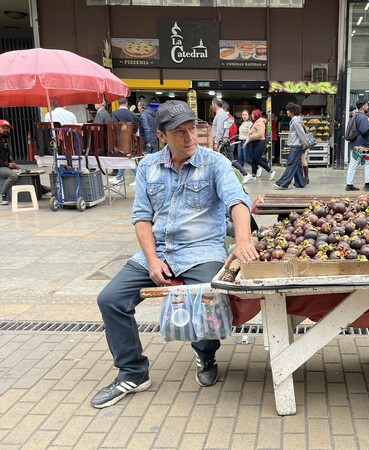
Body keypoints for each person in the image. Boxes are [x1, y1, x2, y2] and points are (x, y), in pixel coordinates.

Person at [91, 100, 258, 409]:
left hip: (201, 250)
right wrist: (152, 260)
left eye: (192, 128)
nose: (189, 137)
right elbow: (141, 217)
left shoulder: (215, 163)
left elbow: (238, 201)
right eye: (179, 132)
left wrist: (242, 242)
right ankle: (133, 372)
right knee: (110, 299)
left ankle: (205, 354)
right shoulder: (148, 166)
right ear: (162, 136)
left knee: (211, 298)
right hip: (158, 250)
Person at [273, 102, 307, 190]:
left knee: (291, 163)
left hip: (296, 146)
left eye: (288, 110)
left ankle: (283, 183)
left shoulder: (295, 122)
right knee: (297, 164)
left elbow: (302, 134)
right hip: (297, 145)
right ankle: (300, 183)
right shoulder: (295, 121)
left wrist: (304, 144)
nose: (287, 112)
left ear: (292, 111)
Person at [345, 100, 369, 192]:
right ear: (362, 106)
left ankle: (349, 184)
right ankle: (367, 184)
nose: (368, 106)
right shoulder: (363, 117)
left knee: (353, 164)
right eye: (367, 105)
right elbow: (364, 130)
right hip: (362, 146)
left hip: (354, 145)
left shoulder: (354, 115)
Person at [109, 98, 139, 185]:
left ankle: (138, 177)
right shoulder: (132, 114)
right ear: (127, 103)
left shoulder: (115, 113)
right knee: (125, 157)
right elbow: (135, 127)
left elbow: (114, 126)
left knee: (125, 158)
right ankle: (118, 177)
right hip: (130, 139)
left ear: (118, 104)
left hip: (120, 139)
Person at [222, 102, 252, 184]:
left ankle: (246, 173)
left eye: (245, 114)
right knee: (240, 158)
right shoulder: (241, 123)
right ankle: (242, 174)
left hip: (243, 141)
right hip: (238, 141)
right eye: (243, 115)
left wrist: (228, 139)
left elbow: (233, 131)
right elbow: (235, 130)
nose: (244, 116)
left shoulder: (228, 118)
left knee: (244, 158)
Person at [244, 109, 276, 180]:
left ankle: (270, 171)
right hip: (254, 142)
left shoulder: (260, 122)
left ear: (256, 114)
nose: (251, 115)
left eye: (253, 114)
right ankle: (253, 174)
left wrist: (250, 137)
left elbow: (260, 134)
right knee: (253, 159)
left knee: (258, 160)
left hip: (259, 142)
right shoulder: (255, 122)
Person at [0, 120, 18, 205]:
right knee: (13, 175)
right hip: (1, 167)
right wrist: (7, 164)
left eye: (7, 128)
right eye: (3, 128)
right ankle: (3, 195)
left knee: (26, 172)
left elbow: (6, 156)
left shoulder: (4, 140)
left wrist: (11, 163)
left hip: (4, 166)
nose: (6, 130)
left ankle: (41, 189)